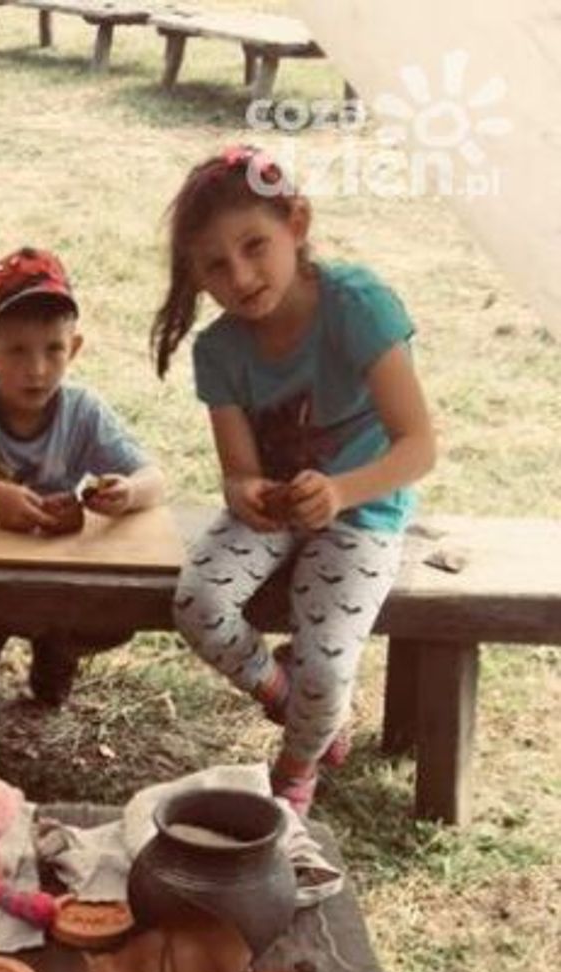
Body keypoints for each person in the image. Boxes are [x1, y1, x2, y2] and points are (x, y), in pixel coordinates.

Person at [154, 146, 436, 816]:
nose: (240, 276)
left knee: (328, 665)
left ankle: (296, 769)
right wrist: (245, 493)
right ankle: (287, 697)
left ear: (298, 224)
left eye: (254, 245)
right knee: (198, 603)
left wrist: (340, 493)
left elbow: (419, 446)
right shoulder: (218, 350)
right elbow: (239, 472)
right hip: (276, 513)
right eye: (215, 265)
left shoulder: (358, 306)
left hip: (363, 512)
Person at [0, 247, 166, 721]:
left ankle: (57, 653)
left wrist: (128, 493)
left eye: (53, 349)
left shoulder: (83, 411)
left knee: (106, 611)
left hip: (59, 572)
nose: (37, 369)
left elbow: (153, 478)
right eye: (16, 350)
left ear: (75, 348)